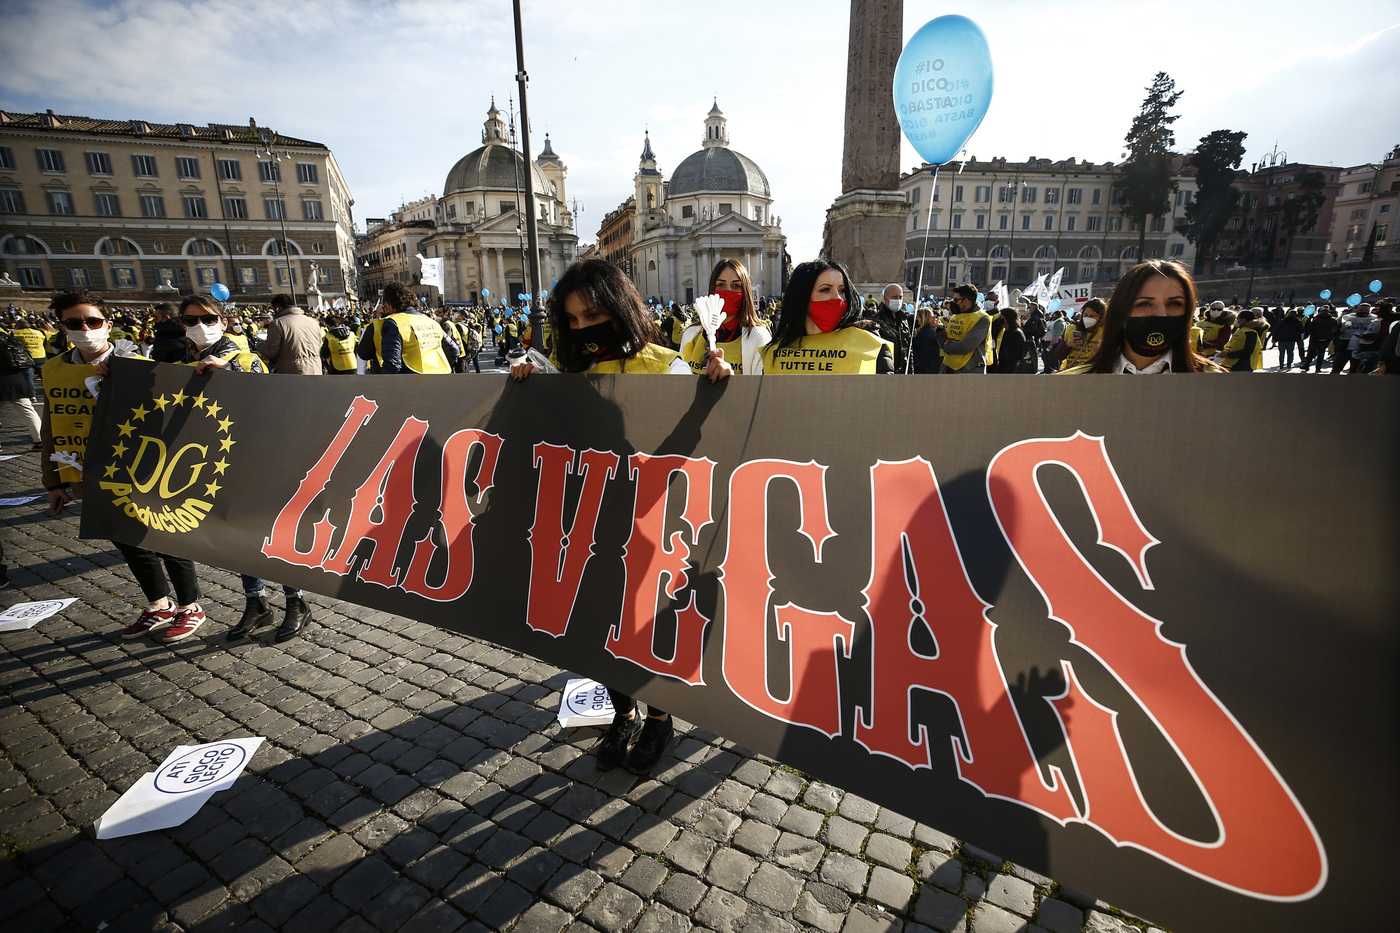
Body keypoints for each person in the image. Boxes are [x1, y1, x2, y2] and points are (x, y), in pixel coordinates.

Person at [510, 259, 723, 773]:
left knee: (642, 623)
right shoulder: (566, 373)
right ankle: (623, 713)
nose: (582, 328)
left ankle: (659, 719)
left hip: (651, 521)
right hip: (586, 522)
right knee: (596, 623)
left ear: (620, 308)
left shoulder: (666, 365)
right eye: (572, 320)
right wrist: (528, 386)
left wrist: (717, 382)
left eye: (593, 315)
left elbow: (697, 436)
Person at [41, 289, 210, 642]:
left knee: (164, 536)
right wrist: (53, 481)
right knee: (126, 540)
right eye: (74, 323)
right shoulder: (52, 369)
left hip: (140, 468)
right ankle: (159, 604)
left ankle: (189, 606)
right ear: (62, 327)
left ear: (108, 324)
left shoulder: (135, 364)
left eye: (92, 321)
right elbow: (51, 425)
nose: (85, 329)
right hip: (88, 470)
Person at [178, 294, 314, 641]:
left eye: (208, 319)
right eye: (191, 320)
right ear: (182, 325)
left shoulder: (243, 356)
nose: (200, 326)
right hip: (213, 460)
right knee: (236, 532)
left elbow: (265, 394)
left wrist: (227, 372)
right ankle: (256, 602)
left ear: (223, 322)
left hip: (259, 457)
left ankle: (295, 601)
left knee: (271, 529)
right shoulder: (178, 362)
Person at [1059, 260, 1221, 374]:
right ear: (1121, 310)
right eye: (1145, 304)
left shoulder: (1218, 384)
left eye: (1174, 304)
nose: (1161, 314)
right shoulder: (1072, 383)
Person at [754, 259, 894, 374]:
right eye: (826, 289)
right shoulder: (775, 354)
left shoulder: (870, 346)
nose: (838, 297)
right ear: (802, 297)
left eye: (842, 290)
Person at [677, 259, 771, 375]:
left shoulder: (759, 337)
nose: (728, 291)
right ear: (712, 289)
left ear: (745, 291)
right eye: (721, 285)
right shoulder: (691, 334)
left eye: (736, 285)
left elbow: (762, 385)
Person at [377, 282, 460, 374]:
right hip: (441, 376)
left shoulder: (393, 322)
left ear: (389, 303)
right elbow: (454, 351)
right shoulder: (430, 321)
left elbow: (392, 364)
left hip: (414, 379)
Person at [260, 294, 324, 374]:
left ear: (278, 308)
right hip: (315, 369)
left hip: (292, 372)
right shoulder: (313, 322)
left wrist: (259, 344)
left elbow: (270, 352)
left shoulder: (278, 323)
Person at [936, 284, 991, 375]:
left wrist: (947, 347)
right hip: (949, 366)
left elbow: (966, 346)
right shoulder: (956, 316)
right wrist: (941, 329)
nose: (953, 302)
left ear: (965, 301)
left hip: (968, 370)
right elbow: (946, 340)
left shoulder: (982, 319)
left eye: (956, 300)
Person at [870, 284, 913, 373]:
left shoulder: (904, 319)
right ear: (885, 299)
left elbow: (909, 349)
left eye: (900, 297)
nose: (898, 300)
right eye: (894, 297)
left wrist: (910, 372)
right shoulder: (876, 320)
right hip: (885, 372)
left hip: (903, 371)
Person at [1059, 299, 1105, 370]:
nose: (1088, 318)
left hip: (1093, 372)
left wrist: (1101, 354)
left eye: (1092, 316)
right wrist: (1067, 344)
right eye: (1086, 315)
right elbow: (1058, 356)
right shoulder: (1073, 328)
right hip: (1073, 371)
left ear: (1100, 317)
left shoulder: (1105, 331)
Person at [990, 307, 1031, 373]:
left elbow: (1014, 356)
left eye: (1001, 317)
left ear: (1007, 318)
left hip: (1011, 370)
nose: (999, 319)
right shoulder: (1007, 331)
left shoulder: (1015, 333)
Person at [911, 305, 942, 373]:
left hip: (924, 369)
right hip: (932, 367)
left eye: (917, 317)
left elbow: (923, 353)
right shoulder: (932, 331)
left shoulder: (924, 333)